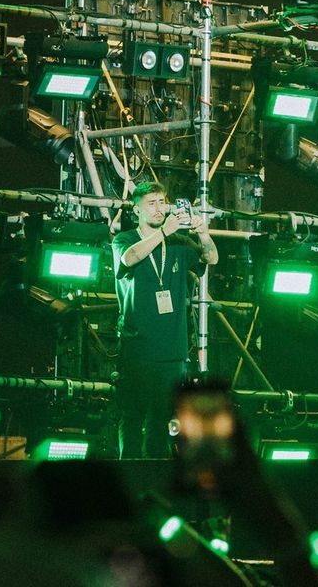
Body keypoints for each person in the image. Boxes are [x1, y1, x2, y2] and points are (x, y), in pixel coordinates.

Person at [111, 181, 218, 458]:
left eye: (162, 202)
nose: (159, 208)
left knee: (163, 421)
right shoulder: (125, 239)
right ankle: (130, 472)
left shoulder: (179, 242)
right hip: (137, 348)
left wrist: (204, 234)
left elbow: (211, 258)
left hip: (172, 351)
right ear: (137, 210)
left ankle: (156, 475)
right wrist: (164, 232)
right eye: (152, 203)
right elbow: (130, 258)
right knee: (132, 418)